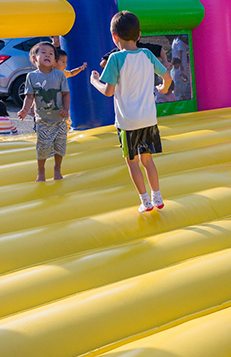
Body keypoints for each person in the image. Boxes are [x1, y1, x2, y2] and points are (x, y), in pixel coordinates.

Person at [90, 11, 172, 213]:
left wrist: (94, 81)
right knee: (148, 159)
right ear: (139, 34)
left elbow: (108, 92)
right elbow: (167, 76)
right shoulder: (147, 55)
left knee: (132, 162)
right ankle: (157, 197)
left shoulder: (115, 59)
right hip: (149, 119)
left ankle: (145, 202)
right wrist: (163, 87)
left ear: (114, 37)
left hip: (128, 122)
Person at [18, 41, 70, 182]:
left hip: (59, 118)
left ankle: (57, 169)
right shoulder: (32, 77)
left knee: (60, 146)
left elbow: (65, 94)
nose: (48, 55)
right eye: (43, 52)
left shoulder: (59, 75)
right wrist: (24, 110)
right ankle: (41, 171)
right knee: (43, 146)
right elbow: (29, 96)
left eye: (51, 53)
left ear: (54, 60)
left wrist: (65, 109)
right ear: (34, 58)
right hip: (43, 119)